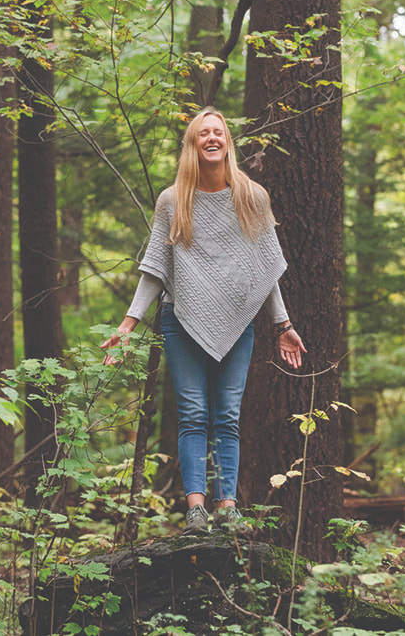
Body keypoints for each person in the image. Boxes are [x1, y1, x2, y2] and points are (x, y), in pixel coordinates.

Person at [101, 107, 306, 534]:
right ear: (193, 145)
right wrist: (127, 326)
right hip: (182, 322)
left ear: (228, 142)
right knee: (193, 414)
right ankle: (196, 508)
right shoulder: (173, 199)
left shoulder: (253, 197)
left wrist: (283, 326)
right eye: (203, 134)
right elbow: (155, 268)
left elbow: (266, 271)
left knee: (227, 416)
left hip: (240, 324)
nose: (212, 138)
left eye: (219, 132)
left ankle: (227, 505)